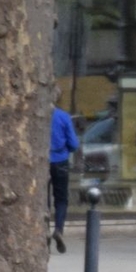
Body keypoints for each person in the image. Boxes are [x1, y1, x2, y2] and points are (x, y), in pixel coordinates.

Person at [47, 101, 79, 252]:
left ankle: (43, 230)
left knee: (42, 199)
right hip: (60, 162)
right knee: (61, 199)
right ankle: (58, 229)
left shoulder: (37, 116)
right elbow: (73, 144)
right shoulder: (63, 116)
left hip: (42, 162)